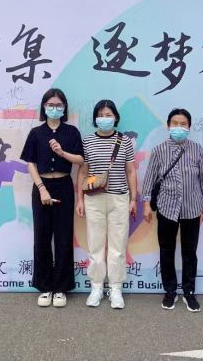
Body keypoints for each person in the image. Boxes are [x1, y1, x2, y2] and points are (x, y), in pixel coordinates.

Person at [141, 108, 203, 312]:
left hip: (192, 207)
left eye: (183, 124)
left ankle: (189, 292)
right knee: (167, 251)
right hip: (167, 207)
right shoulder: (159, 150)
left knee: (190, 252)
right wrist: (146, 204)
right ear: (168, 126)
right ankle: (170, 291)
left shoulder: (197, 149)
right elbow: (149, 179)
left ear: (189, 127)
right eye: (175, 123)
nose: (179, 127)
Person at [21, 88, 84, 308]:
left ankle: (61, 287)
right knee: (42, 237)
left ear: (64, 108)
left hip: (64, 186)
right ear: (44, 107)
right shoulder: (36, 133)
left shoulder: (72, 132)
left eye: (58, 105)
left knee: (64, 237)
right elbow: (30, 163)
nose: (54, 109)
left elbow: (80, 160)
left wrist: (61, 153)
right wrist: (42, 189)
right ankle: (45, 286)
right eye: (50, 105)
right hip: (42, 187)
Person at [76, 99, 137, 309]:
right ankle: (96, 287)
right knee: (95, 245)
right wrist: (80, 199)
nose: (104, 118)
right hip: (94, 199)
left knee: (118, 247)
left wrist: (133, 199)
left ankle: (116, 288)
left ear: (116, 118)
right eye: (101, 115)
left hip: (119, 198)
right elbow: (82, 172)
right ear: (95, 118)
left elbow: (131, 171)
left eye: (108, 115)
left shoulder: (125, 141)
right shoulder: (87, 142)